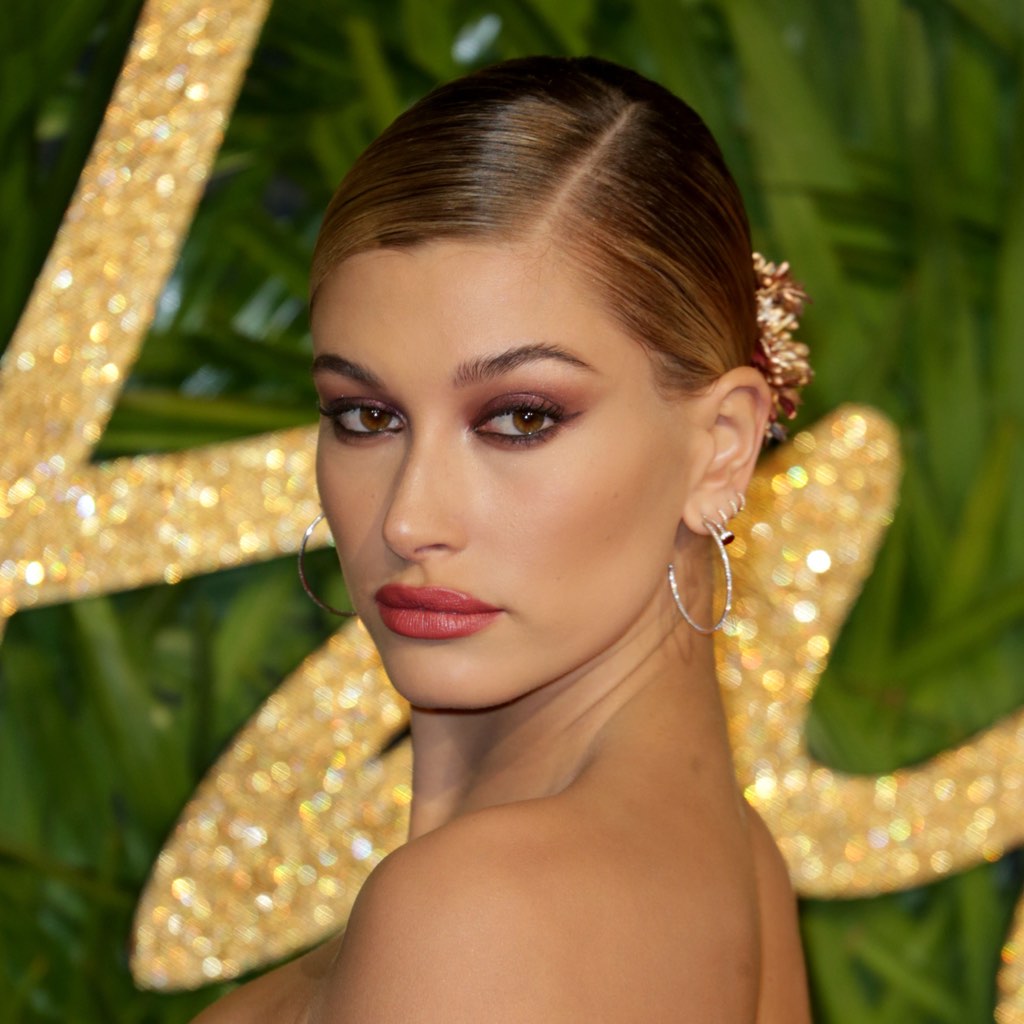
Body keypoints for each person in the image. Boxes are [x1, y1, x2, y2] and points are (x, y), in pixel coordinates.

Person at [196, 54, 811, 1022]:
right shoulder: (733, 863)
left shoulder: (477, 914)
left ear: (721, 446)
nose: (408, 518)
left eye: (520, 418)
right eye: (365, 416)